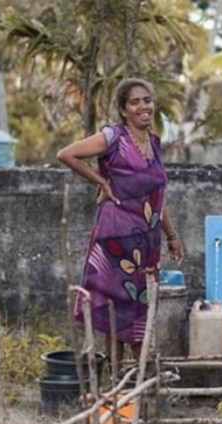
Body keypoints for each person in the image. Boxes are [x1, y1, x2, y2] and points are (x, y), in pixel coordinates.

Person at [56, 78, 185, 365]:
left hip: (146, 243)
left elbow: (155, 197)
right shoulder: (113, 137)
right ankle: (116, 386)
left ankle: (139, 384)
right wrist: (101, 179)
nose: (144, 106)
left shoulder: (154, 143)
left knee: (141, 311)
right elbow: (67, 154)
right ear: (124, 110)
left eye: (147, 100)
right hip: (115, 238)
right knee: (115, 313)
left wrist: (172, 235)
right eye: (135, 102)